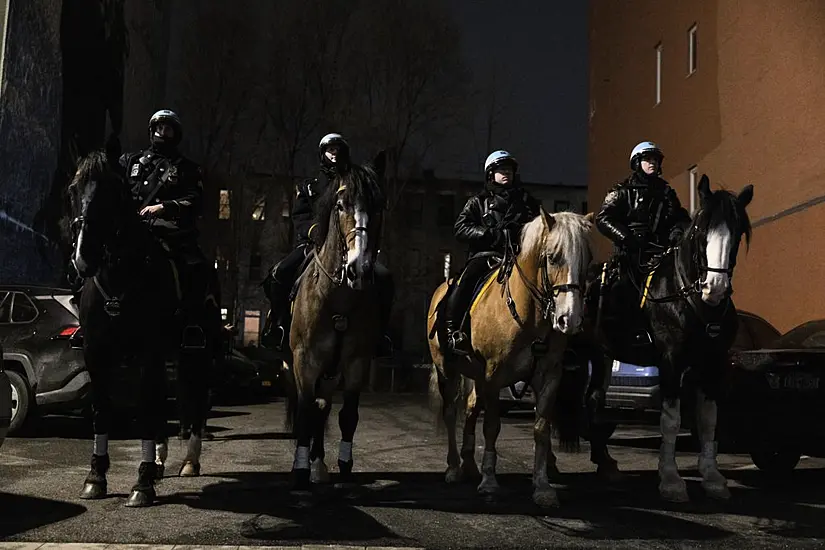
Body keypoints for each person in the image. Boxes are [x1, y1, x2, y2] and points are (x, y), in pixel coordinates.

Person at [120, 109, 220, 440]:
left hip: (170, 232)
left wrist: (162, 208)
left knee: (197, 268)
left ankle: (195, 325)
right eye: (158, 126)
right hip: (134, 230)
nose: (163, 132)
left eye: (169, 127)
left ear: (176, 133)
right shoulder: (129, 161)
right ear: (151, 130)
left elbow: (195, 201)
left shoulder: (188, 169)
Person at [262, 133, 394, 357]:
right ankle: (279, 325)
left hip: (349, 244)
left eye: (337, 149)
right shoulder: (310, 186)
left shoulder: (353, 181)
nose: (333, 153)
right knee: (279, 274)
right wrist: (314, 233)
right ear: (322, 154)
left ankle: (380, 334)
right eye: (329, 149)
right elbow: (299, 216)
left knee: (384, 278)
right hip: (313, 244)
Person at [443, 150, 542, 357]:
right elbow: (460, 228)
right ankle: (453, 331)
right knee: (467, 279)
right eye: (500, 169)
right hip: (486, 255)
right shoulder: (478, 202)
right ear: (490, 174)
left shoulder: (528, 202)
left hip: (519, 256)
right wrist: (488, 234)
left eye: (509, 169)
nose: (506, 173)